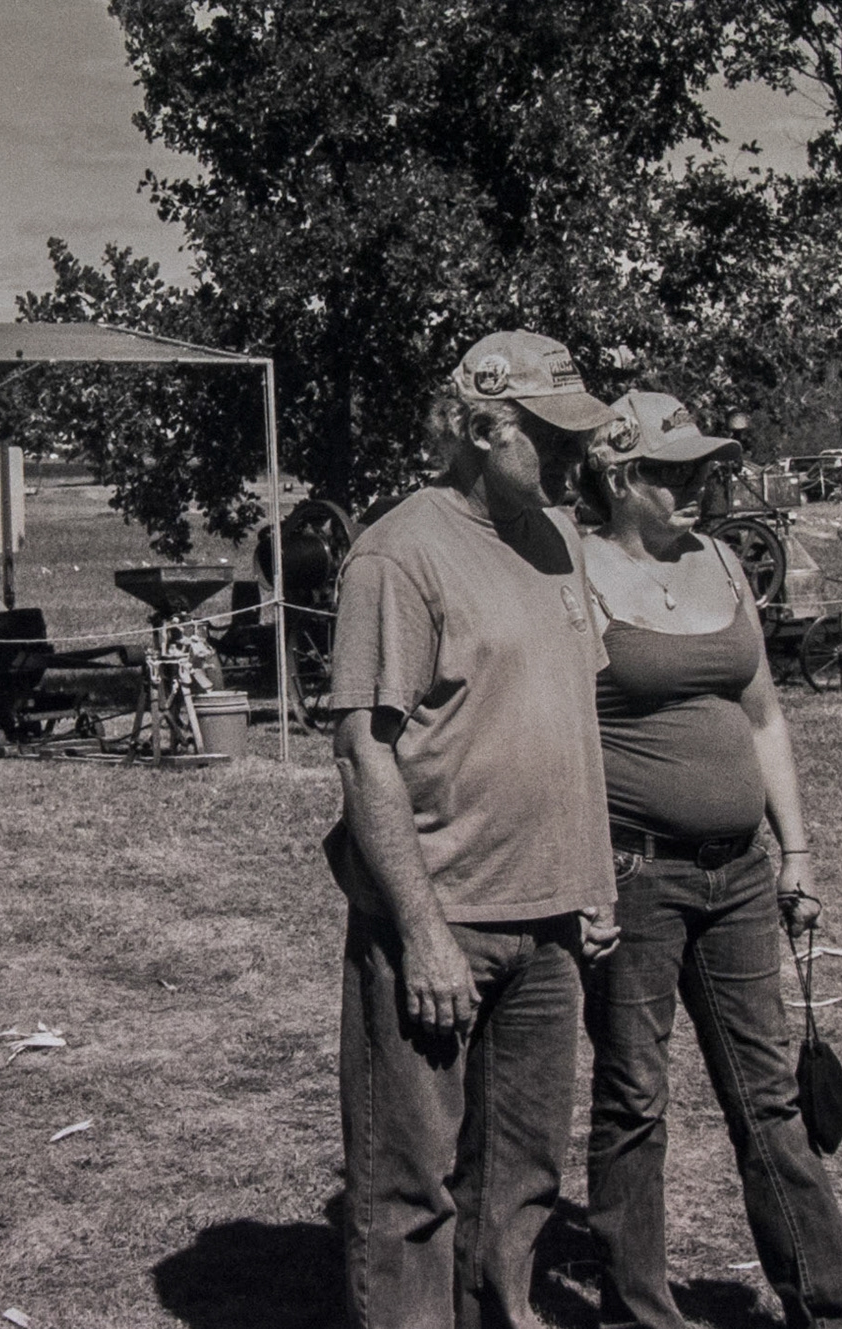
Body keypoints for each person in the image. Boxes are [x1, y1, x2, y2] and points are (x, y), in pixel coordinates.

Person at [325, 329, 623, 1329]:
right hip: (444, 924)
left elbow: (568, 720)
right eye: (551, 437)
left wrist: (592, 885)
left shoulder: (556, 539)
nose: (575, 457)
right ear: (479, 427)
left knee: (522, 1183)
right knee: (409, 1195)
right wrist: (419, 932)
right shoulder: (399, 554)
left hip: (550, 931)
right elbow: (365, 752)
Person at [577, 391, 842, 1328]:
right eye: (673, 471)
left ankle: (828, 1306)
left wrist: (797, 850)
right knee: (635, 1097)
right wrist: (584, 872)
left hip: (740, 871)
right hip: (635, 874)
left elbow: (764, 716)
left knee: (770, 1097)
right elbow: (557, 738)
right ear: (622, 478)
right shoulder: (573, 574)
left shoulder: (720, 561)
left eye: (702, 466)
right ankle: (640, 1308)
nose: (697, 484)